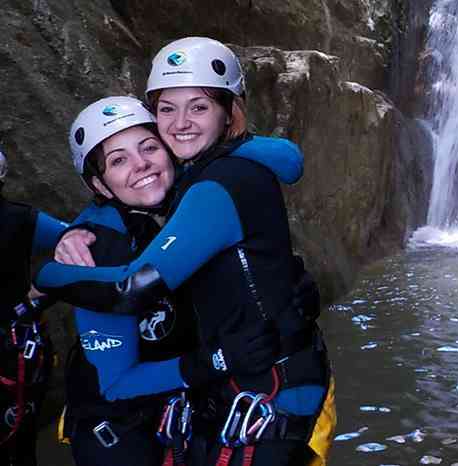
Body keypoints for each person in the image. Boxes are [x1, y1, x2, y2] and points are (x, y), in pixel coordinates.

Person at [37, 38, 334, 466]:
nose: (140, 164)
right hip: (121, 433)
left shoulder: (196, 190)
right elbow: (117, 372)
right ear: (100, 186)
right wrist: (46, 273)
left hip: (217, 405)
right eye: (118, 161)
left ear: (227, 112)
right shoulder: (96, 248)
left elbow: (283, 159)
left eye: (149, 147)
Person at [0, 145, 68, 465]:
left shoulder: (20, 219)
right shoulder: (21, 218)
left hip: (12, 350)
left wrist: (38, 294)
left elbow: (81, 246)